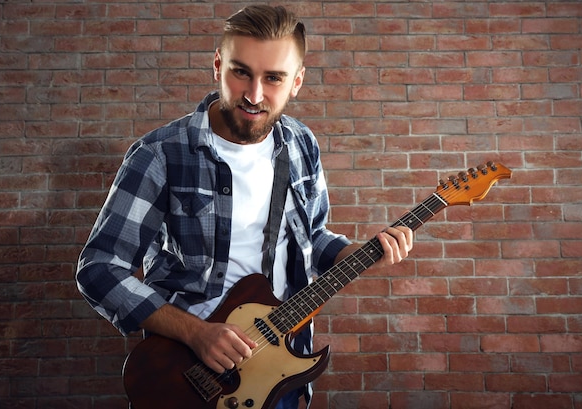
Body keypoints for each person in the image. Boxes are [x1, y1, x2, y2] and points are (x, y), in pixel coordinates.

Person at [76, 5, 413, 409]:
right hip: (186, 372)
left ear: (296, 82)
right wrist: (196, 333)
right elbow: (100, 269)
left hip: (282, 364)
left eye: (273, 78)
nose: (254, 95)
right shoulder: (160, 154)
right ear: (218, 65)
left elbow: (313, 238)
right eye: (240, 72)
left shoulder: (301, 144)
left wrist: (355, 254)